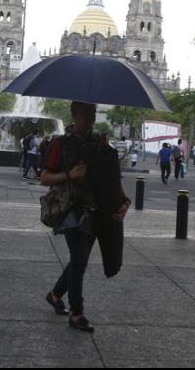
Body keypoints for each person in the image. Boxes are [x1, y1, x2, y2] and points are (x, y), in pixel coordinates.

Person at [41, 101, 131, 332]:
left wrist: (123, 200)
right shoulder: (61, 144)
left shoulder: (100, 143)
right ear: (74, 114)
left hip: (95, 209)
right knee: (79, 259)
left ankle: (54, 294)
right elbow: (45, 177)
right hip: (70, 208)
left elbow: (111, 177)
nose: (90, 116)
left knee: (78, 260)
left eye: (92, 111)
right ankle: (77, 312)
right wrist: (69, 174)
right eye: (85, 112)